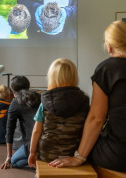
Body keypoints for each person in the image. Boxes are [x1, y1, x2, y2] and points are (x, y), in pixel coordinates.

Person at [50, 21, 126, 172]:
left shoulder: (106, 69)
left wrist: (79, 157)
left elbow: (96, 118)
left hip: (118, 154)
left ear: (109, 46)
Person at [28, 58, 89, 169]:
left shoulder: (45, 101)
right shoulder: (84, 101)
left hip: (47, 153)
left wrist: (32, 152)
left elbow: (37, 130)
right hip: (73, 152)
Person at [0, 76, 41, 169]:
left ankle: (38, 160)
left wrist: (9, 157)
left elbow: (9, 130)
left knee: (14, 162)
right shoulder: (39, 97)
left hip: (31, 144)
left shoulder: (15, 103)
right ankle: (40, 158)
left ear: (12, 90)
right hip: (46, 141)